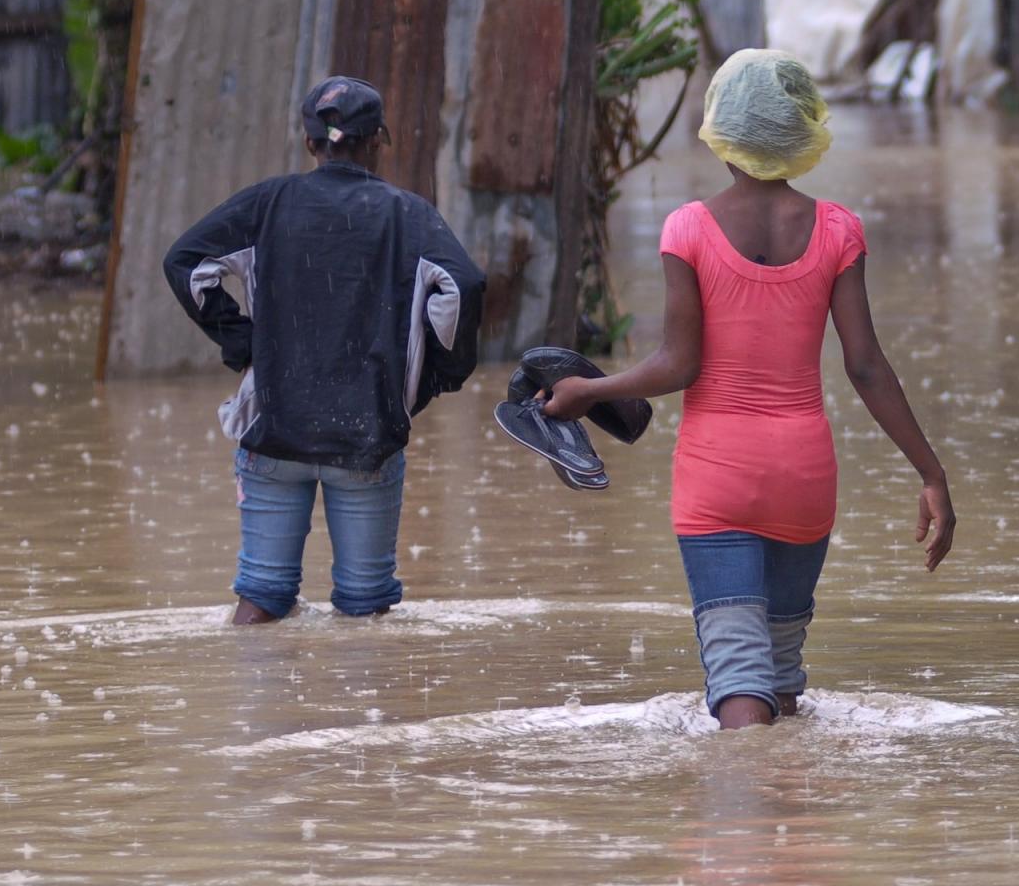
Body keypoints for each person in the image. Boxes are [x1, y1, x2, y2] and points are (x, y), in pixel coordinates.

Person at [540, 49, 955, 728]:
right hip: (804, 477)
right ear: (800, 134)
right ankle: (790, 818)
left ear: (721, 132)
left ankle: (741, 823)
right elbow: (867, 366)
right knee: (782, 680)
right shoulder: (837, 230)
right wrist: (931, 473)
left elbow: (679, 365)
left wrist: (588, 390)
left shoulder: (689, 230)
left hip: (718, 478)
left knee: (739, 679)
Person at [163, 76, 486, 624]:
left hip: (276, 432)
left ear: (311, 143)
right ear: (377, 140)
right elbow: (464, 285)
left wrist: (242, 341)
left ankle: (254, 704)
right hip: (366, 437)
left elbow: (186, 262)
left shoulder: (269, 203)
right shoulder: (407, 215)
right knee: (365, 607)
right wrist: (439, 374)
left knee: (261, 598)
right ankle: (363, 708)